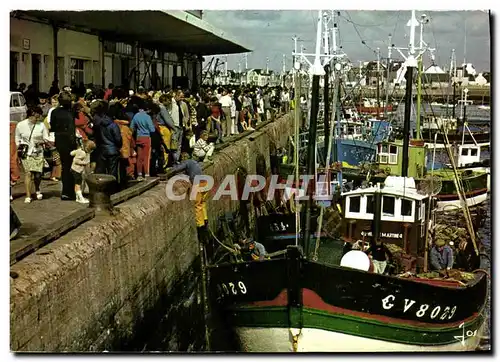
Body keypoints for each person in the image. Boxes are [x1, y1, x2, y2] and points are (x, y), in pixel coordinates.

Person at [15, 105, 50, 203]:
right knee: (28, 173)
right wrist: (19, 148)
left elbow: (46, 138)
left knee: (38, 175)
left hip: (38, 152)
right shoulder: (21, 125)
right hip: (26, 153)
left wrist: (41, 142)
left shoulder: (41, 125)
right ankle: (28, 195)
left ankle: (37, 188)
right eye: (36, 116)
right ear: (30, 115)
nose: (37, 119)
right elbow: (17, 138)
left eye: (38, 117)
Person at [50, 91, 77, 200]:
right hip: (69, 142)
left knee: (64, 167)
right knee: (70, 167)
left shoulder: (55, 112)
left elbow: (53, 126)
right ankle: (69, 191)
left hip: (59, 140)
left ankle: (66, 191)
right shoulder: (70, 112)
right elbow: (71, 129)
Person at [92, 100, 123, 181]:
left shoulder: (99, 124)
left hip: (102, 149)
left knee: (102, 170)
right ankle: (112, 187)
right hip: (112, 149)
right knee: (112, 171)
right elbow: (118, 139)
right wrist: (119, 146)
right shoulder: (113, 125)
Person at [130, 100, 155, 181]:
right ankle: (147, 174)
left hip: (138, 137)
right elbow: (152, 130)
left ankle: (139, 174)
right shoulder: (147, 117)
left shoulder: (135, 116)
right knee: (146, 157)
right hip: (146, 137)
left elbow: (131, 127)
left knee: (139, 157)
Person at [70, 139, 96, 204]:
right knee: (78, 184)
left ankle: (77, 198)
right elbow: (76, 160)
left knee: (77, 184)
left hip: (74, 169)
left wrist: (76, 151)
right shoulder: (83, 153)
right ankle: (81, 198)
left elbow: (71, 153)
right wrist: (84, 163)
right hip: (77, 170)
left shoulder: (80, 150)